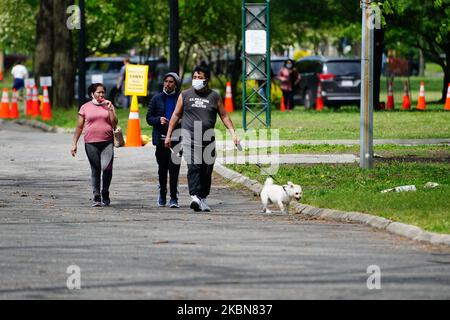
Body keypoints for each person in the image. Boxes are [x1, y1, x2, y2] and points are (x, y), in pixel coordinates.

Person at [164, 65, 239, 212]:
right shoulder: (184, 95)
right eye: (194, 77)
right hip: (189, 139)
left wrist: (233, 134)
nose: (196, 80)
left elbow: (224, 116)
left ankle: (203, 198)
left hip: (208, 140)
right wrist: (168, 135)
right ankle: (195, 197)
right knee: (194, 166)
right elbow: (175, 115)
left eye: (200, 77)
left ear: (206, 80)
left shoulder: (214, 96)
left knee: (206, 170)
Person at [71, 83, 118, 207]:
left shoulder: (109, 105)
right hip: (91, 142)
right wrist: (74, 143)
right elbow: (79, 126)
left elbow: (114, 123)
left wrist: (111, 110)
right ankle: (96, 195)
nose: (101, 94)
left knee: (107, 169)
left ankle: (105, 192)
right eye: (98, 92)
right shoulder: (85, 107)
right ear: (92, 93)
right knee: (96, 169)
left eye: (103, 92)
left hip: (107, 142)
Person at [146, 72, 182, 208]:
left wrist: (181, 120)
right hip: (161, 139)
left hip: (177, 138)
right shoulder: (156, 99)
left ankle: (173, 198)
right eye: (166, 81)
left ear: (176, 84)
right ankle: (162, 193)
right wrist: (158, 119)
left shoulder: (181, 98)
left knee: (174, 169)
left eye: (171, 82)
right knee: (162, 168)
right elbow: (149, 118)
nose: (167, 84)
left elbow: (187, 116)